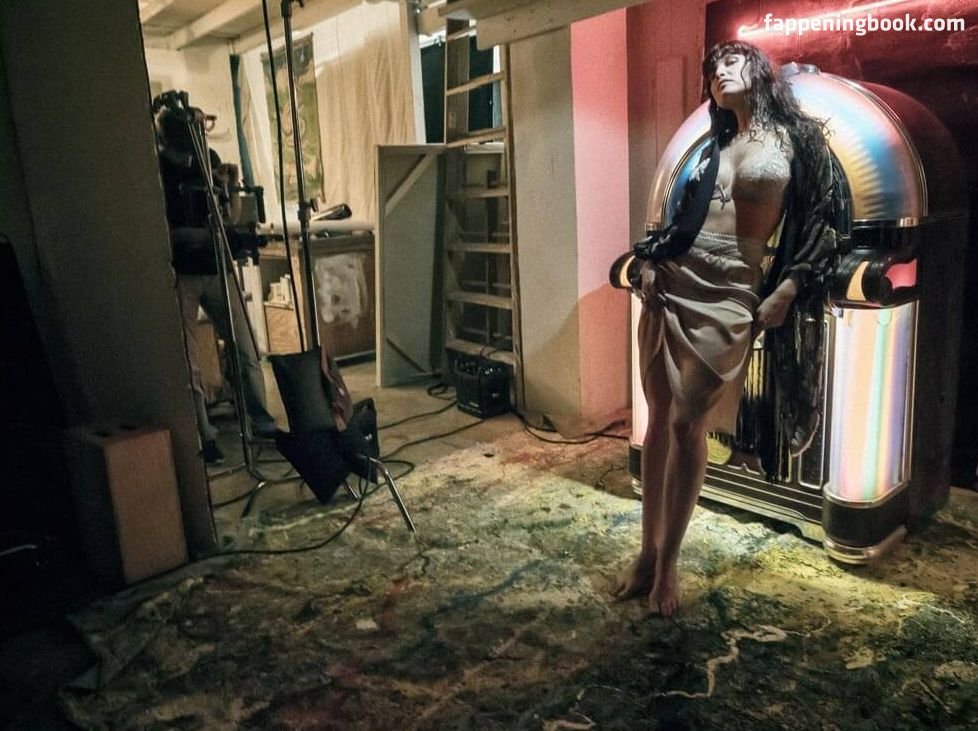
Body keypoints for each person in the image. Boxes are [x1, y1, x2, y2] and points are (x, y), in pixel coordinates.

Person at [614, 41, 842, 615]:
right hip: (672, 283)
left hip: (732, 290)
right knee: (659, 419)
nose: (718, 72)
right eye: (712, 67)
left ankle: (669, 563)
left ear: (760, 72)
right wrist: (649, 261)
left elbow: (826, 218)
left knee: (687, 423)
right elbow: (676, 218)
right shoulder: (710, 144)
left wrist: (790, 286)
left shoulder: (798, 139)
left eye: (731, 62)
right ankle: (647, 553)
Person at [155, 94, 277, 464]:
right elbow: (156, 229)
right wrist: (193, 235)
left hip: (217, 266)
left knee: (245, 347)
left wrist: (230, 186)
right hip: (181, 273)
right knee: (187, 358)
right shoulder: (156, 170)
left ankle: (261, 421)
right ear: (171, 138)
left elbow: (228, 218)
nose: (197, 144)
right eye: (190, 136)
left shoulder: (207, 158)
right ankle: (203, 436)